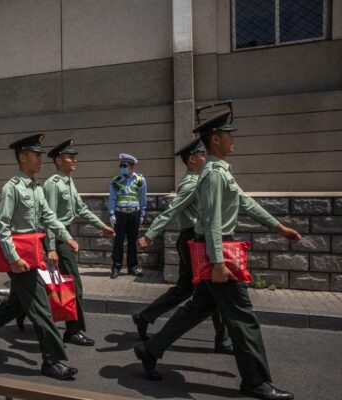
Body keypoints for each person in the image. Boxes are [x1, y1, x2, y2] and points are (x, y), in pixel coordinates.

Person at [134, 110, 300, 400]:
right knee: (242, 318)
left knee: (199, 307)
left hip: (217, 247)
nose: (232, 139)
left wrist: (278, 227)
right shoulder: (211, 175)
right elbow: (211, 221)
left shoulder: (220, 171)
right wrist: (218, 262)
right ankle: (255, 381)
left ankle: (150, 349)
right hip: (218, 249)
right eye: (228, 134)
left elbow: (245, 202)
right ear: (215, 139)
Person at [0, 133, 80, 380]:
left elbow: (49, 216)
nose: (40, 159)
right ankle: (51, 360)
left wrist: (66, 236)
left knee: (14, 306)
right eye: (36, 155)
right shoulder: (12, 188)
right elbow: (3, 227)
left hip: (34, 253)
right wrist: (14, 259)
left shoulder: (36, 188)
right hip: (20, 257)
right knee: (41, 308)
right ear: (23, 157)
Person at [133, 138, 232, 353]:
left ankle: (145, 317)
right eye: (202, 155)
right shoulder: (192, 184)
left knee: (186, 289)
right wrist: (149, 235)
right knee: (213, 291)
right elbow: (171, 210)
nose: (206, 157)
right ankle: (222, 340)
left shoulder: (200, 179)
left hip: (191, 241)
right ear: (192, 159)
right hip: (192, 241)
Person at [43, 139, 115, 346]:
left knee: (62, 285)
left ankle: (22, 309)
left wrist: (102, 226)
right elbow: (49, 218)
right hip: (58, 238)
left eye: (75, 157)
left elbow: (81, 208)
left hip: (65, 236)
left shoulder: (68, 181)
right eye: (70, 157)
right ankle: (73, 331)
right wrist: (51, 248)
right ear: (58, 160)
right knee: (72, 286)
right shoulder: (53, 184)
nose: (74, 160)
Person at [108, 153, 146, 279]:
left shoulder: (140, 180)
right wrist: (111, 214)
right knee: (118, 241)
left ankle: (132, 267)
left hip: (134, 213)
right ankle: (116, 267)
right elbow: (112, 199)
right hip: (120, 214)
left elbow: (142, 199)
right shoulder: (115, 181)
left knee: (132, 241)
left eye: (124, 166)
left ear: (131, 166)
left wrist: (142, 215)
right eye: (121, 166)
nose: (122, 168)